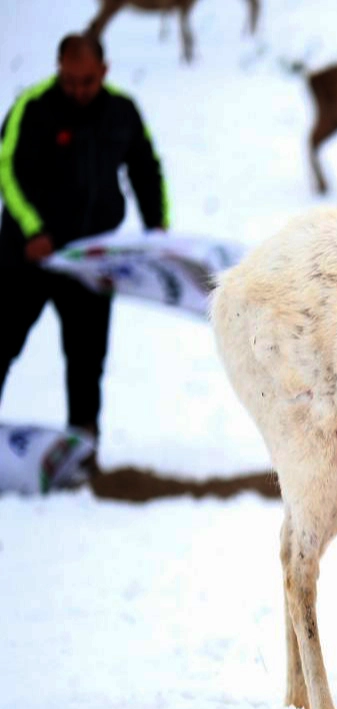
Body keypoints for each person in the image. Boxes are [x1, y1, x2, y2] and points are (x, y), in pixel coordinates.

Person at [0, 33, 169, 456]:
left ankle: (82, 448)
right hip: (29, 258)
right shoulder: (33, 107)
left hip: (91, 260)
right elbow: (7, 170)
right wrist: (33, 230)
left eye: (87, 81)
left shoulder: (122, 111)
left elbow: (146, 167)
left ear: (104, 72)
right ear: (59, 68)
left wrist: (156, 227)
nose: (78, 90)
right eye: (70, 80)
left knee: (86, 357)